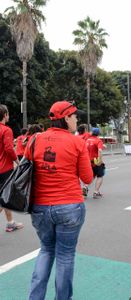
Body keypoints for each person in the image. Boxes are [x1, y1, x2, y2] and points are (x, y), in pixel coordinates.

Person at [24, 100, 93, 300]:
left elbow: (27, 167)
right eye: (74, 116)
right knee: (65, 255)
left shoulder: (35, 139)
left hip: (40, 207)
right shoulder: (77, 142)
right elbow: (87, 178)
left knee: (46, 250)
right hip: (70, 206)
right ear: (65, 118)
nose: (77, 119)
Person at [0, 104, 23, 232]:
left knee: (5, 197)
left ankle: (10, 223)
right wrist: (17, 160)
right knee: (5, 197)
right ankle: (10, 223)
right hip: (4, 169)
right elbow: (9, 148)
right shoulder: (6, 130)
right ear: (5, 115)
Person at [85, 127, 106, 198]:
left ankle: (85, 187)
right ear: (98, 133)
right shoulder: (98, 141)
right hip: (96, 161)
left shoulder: (87, 140)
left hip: (88, 161)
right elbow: (99, 150)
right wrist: (100, 160)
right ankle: (96, 192)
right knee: (100, 176)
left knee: (92, 175)